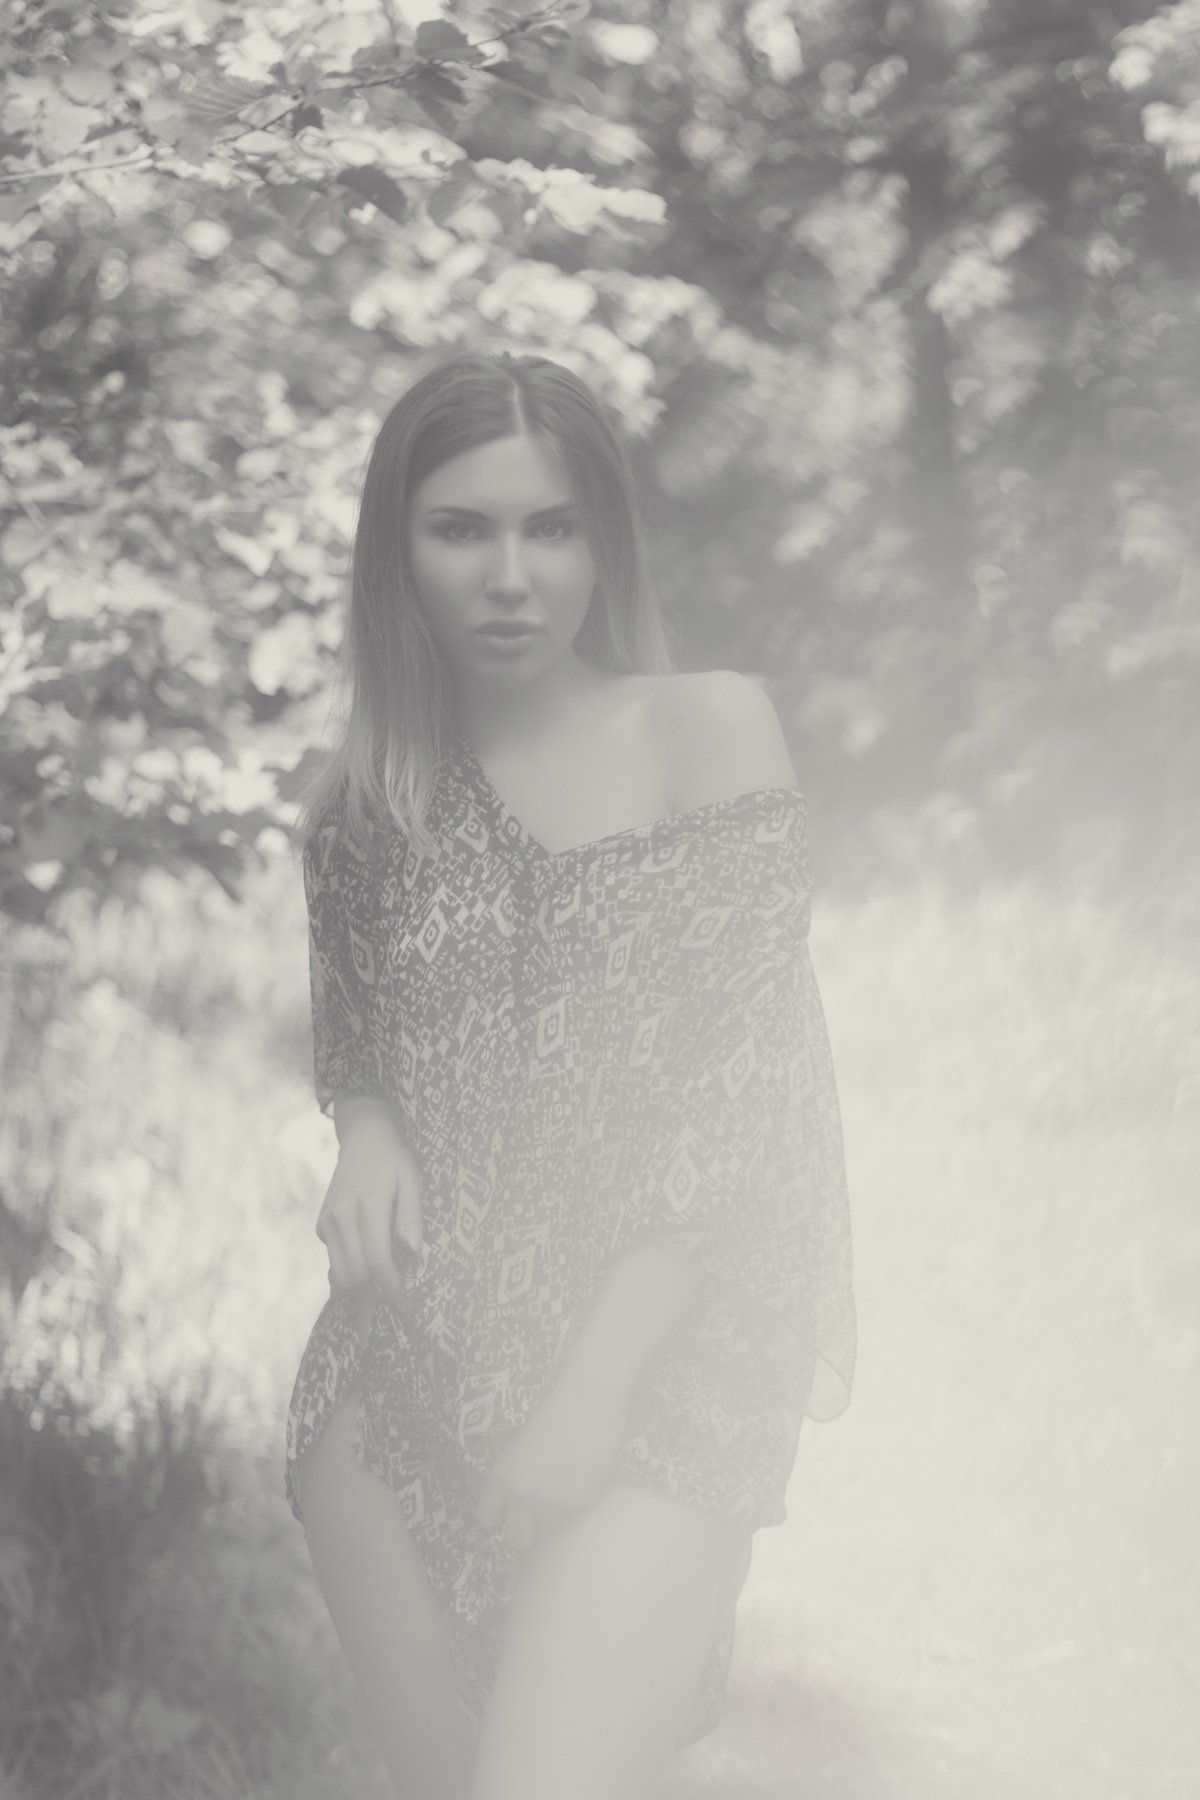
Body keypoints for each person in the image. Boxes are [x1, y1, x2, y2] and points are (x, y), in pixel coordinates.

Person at [283, 348, 855, 1800]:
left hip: (661, 1363)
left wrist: (593, 1391)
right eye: (459, 529)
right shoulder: (366, 807)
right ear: (395, 549)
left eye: (551, 527)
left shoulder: (705, 730)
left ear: (604, 542)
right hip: (403, 1373)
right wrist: (366, 1128)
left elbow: (743, 1098)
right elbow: (357, 1032)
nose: (509, 577)